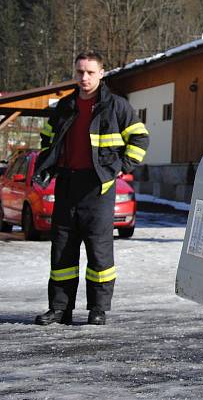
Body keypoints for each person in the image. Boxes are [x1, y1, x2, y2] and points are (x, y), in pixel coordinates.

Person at [32, 51, 149, 326]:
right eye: (80, 72)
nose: (84, 77)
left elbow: (140, 138)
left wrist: (123, 166)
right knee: (62, 249)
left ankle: (98, 309)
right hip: (67, 184)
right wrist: (48, 162)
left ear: (101, 73)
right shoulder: (64, 106)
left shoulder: (116, 106)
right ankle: (60, 308)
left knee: (99, 251)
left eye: (90, 72)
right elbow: (48, 138)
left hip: (98, 186)